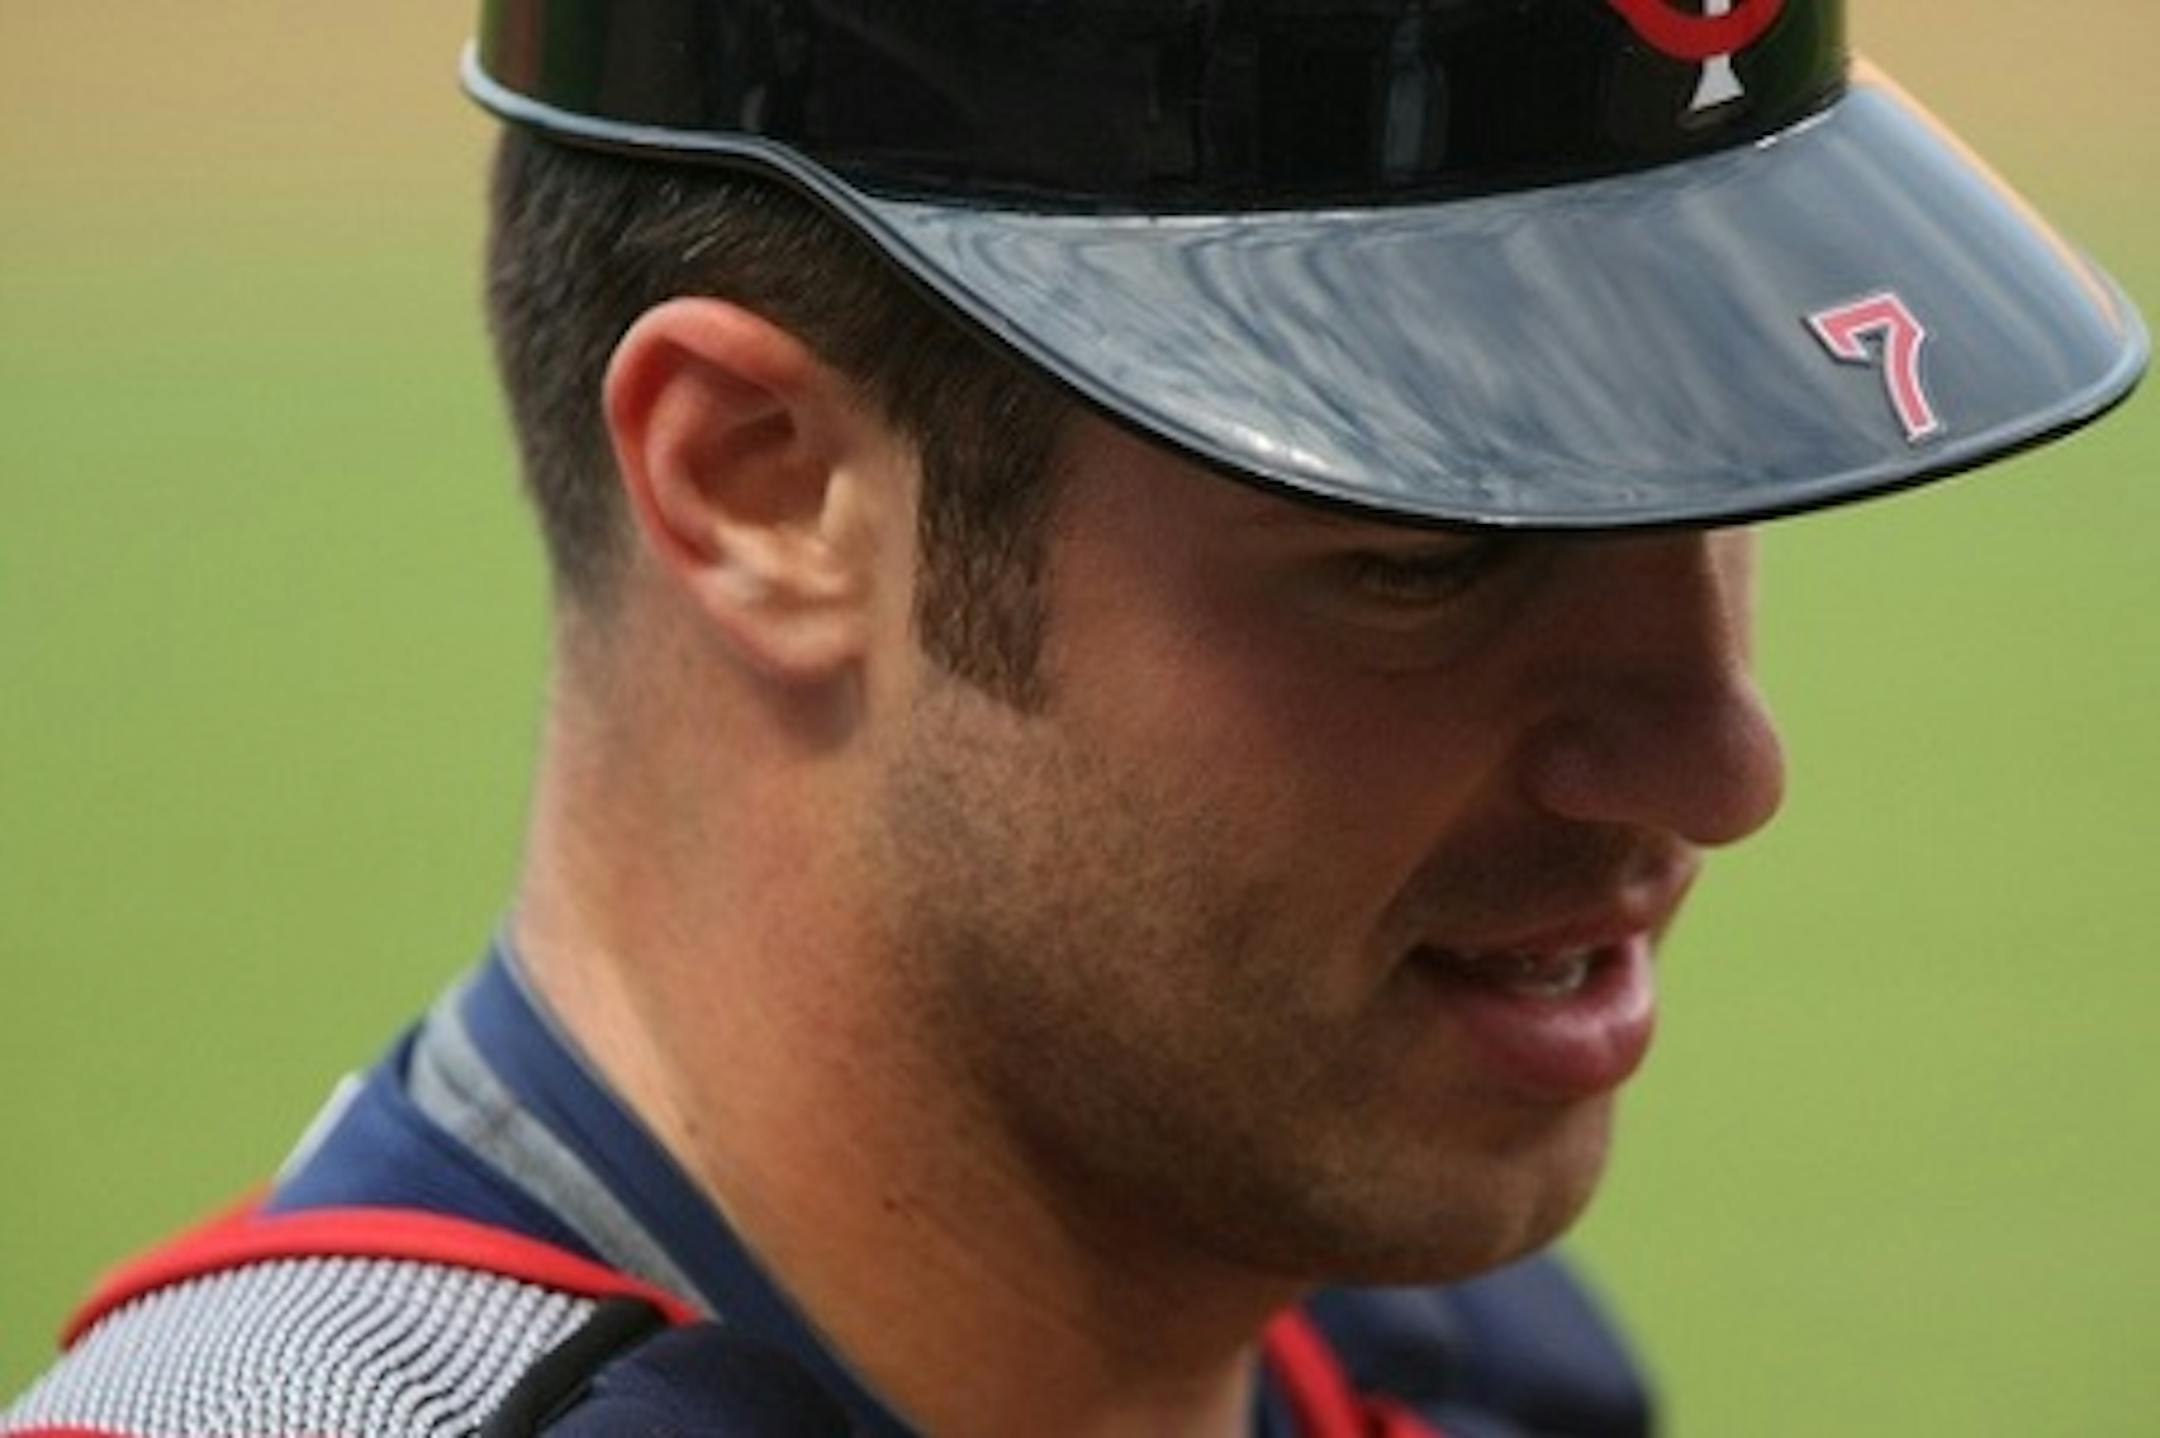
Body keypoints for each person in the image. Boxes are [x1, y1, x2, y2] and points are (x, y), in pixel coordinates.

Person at [3, 2, 2145, 1435]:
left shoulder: (1443, 1372)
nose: (1721, 766)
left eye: (1725, 494)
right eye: (1437, 552)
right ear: (765, 488)